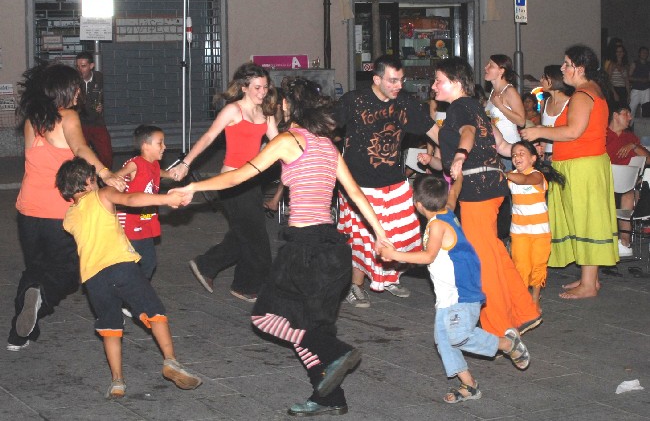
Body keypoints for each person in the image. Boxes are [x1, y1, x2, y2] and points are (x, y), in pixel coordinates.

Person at [172, 78, 392, 416]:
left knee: (264, 319)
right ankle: (329, 397)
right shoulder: (327, 146)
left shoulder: (290, 141)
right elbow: (357, 195)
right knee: (306, 329)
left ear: (289, 106)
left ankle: (335, 351)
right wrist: (380, 234)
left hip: (304, 251)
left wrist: (193, 189)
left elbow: (237, 176)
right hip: (333, 251)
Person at [55, 158, 202, 399]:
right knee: (155, 312)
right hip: (122, 267)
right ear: (89, 180)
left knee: (110, 329)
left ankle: (117, 382)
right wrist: (166, 199)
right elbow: (132, 200)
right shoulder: (102, 194)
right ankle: (171, 362)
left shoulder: (69, 217)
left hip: (93, 279)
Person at [377, 174, 530, 404]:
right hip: (448, 296)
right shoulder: (447, 208)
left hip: (462, 294)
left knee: (457, 337)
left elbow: (428, 256)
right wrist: (458, 177)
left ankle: (507, 344)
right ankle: (469, 385)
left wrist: (393, 255)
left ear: (417, 204)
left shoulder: (437, 225)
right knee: (443, 341)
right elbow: (455, 193)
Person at [419, 57, 541, 336]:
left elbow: (469, 133)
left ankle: (500, 327)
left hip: (477, 189)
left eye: (439, 80)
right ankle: (524, 311)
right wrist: (526, 150)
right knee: (494, 250)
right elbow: (500, 144)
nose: (434, 85)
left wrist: (461, 155)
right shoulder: (476, 107)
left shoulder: (460, 109)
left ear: (456, 83)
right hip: (492, 185)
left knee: (482, 257)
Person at [8, 63, 125, 352]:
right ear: (65, 90)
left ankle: (19, 334)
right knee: (69, 272)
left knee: (35, 268)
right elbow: (81, 150)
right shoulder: (68, 117)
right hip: (60, 210)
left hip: (27, 209)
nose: (79, 92)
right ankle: (42, 299)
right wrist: (106, 174)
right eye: (75, 87)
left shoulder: (32, 121)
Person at [169, 63, 278, 302]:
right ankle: (248, 285)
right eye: (258, 87)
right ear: (244, 87)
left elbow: (279, 144)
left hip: (251, 181)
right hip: (230, 183)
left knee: (244, 234)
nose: (263, 92)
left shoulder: (266, 114)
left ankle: (208, 266)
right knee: (256, 236)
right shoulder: (233, 111)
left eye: (265, 87)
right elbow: (209, 136)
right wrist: (186, 163)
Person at [335, 54, 437, 307]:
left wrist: (462, 151)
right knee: (362, 239)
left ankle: (388, 276)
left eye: (401, 80)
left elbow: (434, 131)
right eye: (392, 80)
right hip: (359, 185)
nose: (398, 85)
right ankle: (354, 286)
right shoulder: (354, 100)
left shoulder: (406, 103)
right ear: (376, 79)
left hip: (394, 181)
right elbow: (325, 128)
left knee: (403, 234)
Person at [521, 45, 619, 299]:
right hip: (583, 163)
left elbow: (573, 131)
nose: (562, 68)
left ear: (580, 68)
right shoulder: (589, 92)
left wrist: (539, 131)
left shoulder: (582, 95)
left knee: (587, 220)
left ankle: (588, 284)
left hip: (583, 164)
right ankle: (589, 280)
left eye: (566, 64)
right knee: (584, 218)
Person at [506, 140, 565, 314]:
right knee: (521, 267)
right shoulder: (511, 177)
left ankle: (534, 298)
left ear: (533, 158)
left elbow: (524, 180)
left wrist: (504, 173)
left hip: (540, 232)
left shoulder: (537, 176)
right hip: (519, 231)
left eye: (521, 153)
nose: (517, 157)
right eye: (514, 154)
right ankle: (523, 301)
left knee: (538, 266)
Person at [115, 125, 173, 280]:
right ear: (146, 146)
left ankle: (136, 294)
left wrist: (170, 174)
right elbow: (117, 176)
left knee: (149, 263)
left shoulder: (154, 164)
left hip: (146, 221)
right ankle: (127, 294)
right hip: (130, 224)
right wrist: (116, 181)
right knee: (130, 264)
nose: (164, 146)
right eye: (160, 143)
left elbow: (156, 172)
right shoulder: (135, 164)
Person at [606, 103, 650, 257]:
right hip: (604, 182)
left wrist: (634, 146)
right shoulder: (602, 135)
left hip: (626, 185)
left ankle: (625, 241)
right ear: (615, 115)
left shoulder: (630, 137)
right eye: (626, 113)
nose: (630, 117)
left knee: (628, 192)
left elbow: (648, 159)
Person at [76, 51, 113, 168]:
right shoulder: (74, 80)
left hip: (97, 122)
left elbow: (104, 96)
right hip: (80, 123)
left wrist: (101, 105)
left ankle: (105, 178)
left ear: (91, 66)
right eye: (78, 66)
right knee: (81, 155)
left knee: (106, 153)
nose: (80, 69)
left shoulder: (99, 78)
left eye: (83, 66)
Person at [484, 54, 525, 147]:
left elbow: (521, 121)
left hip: (510, 146)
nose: (486, 67)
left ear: (501, 71)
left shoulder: (509, 91)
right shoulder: (493, 92)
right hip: (496, 147)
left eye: (491, 65)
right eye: (487, 64)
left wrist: (500, 106)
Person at [539, 65, 573, 161]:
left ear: (553, 80)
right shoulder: (544, 102)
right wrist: (541, 152)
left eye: (544, 78)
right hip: (547, 155)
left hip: (564, 154)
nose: (541, 80)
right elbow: (543, 131)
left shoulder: (571, 103)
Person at [629, 46, 650, 118]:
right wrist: (640, 79)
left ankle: (643, 127)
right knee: (632, 108)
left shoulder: (648, 64)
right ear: (639, 54)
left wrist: (647, 79)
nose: (644, 54)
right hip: (636, 89)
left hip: (646, 89)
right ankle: (629, 126)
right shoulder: (635, 63)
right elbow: (629, 77)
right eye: (643, 52)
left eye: (646, 53)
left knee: (645, 109)